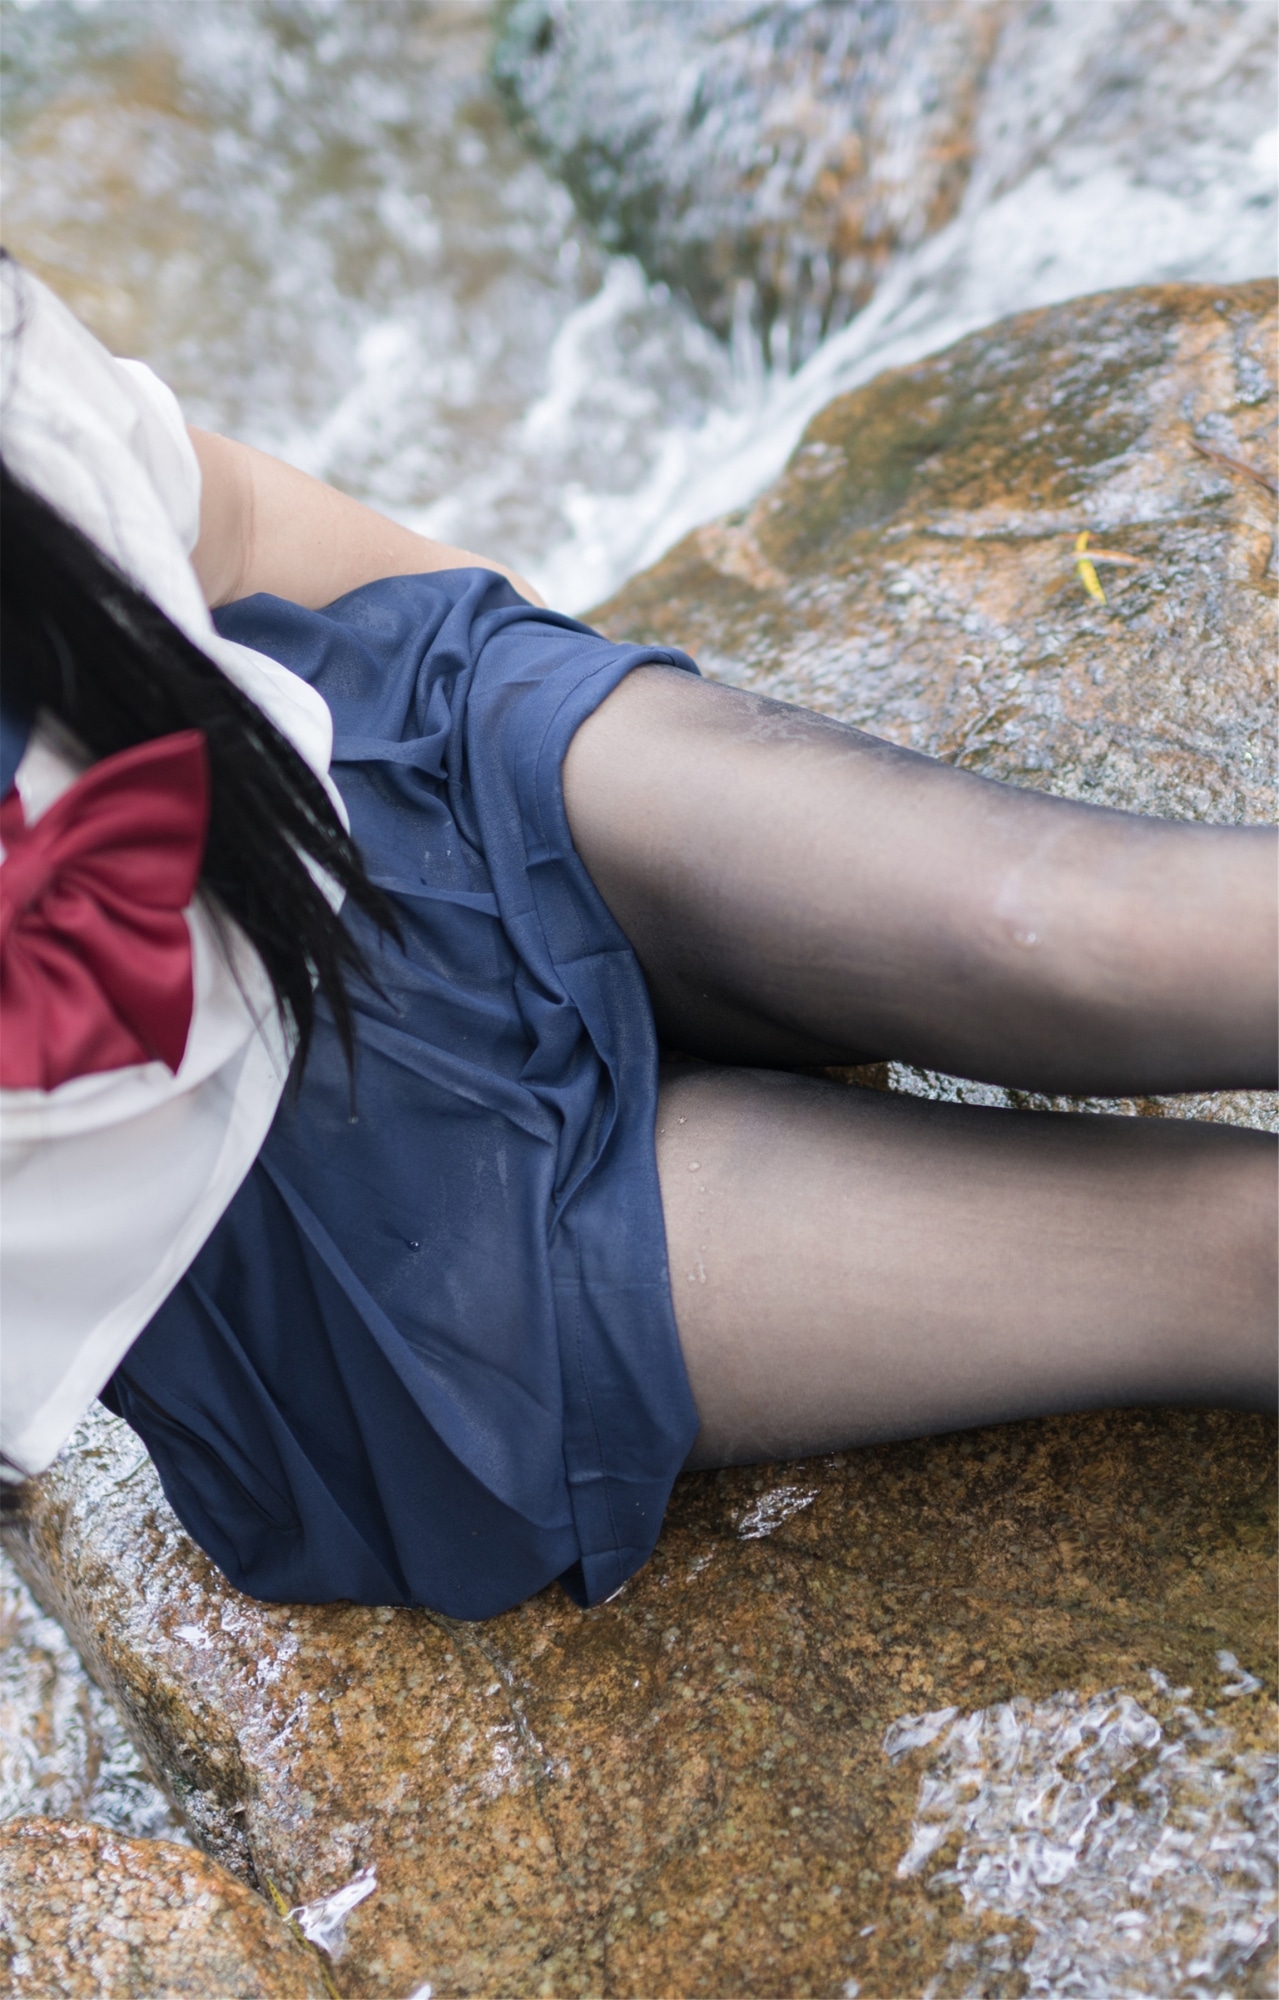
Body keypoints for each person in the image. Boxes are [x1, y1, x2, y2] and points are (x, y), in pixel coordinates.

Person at [2, 262, 1274, 1620]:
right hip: (353, 1259)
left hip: (411, 770)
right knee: (1240, 1255)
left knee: (1077, 928)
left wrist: (555, 667)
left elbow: (228, 517)